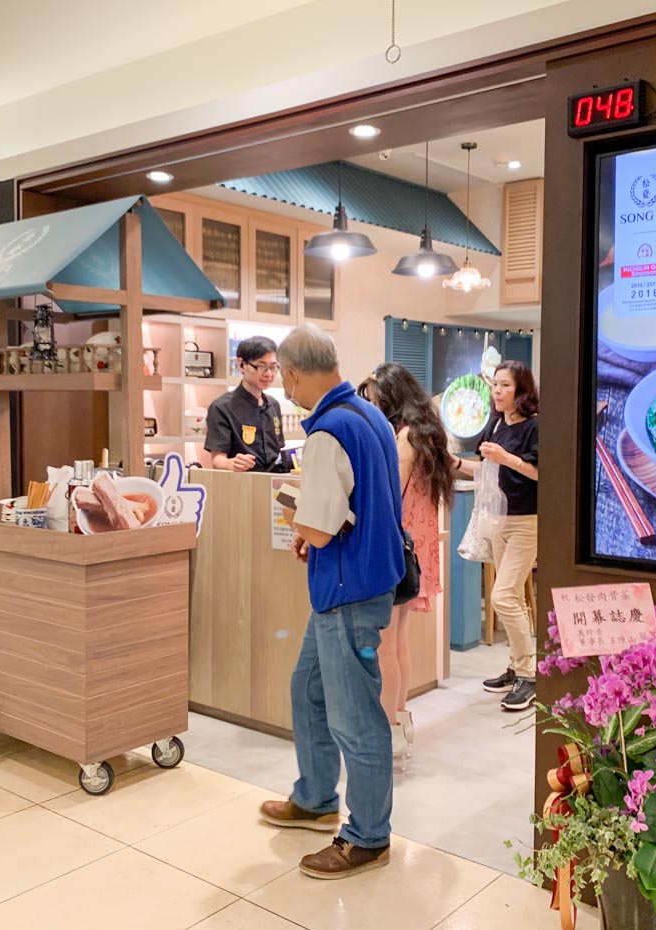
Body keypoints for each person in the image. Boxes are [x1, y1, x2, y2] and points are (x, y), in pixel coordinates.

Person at [260, 324, 404, 880]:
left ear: (295, 373)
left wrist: (302, 523)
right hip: (360, 584)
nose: (287, 391)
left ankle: (367, 835)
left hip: (347, 591)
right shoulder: (370, 417)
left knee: (355, 718)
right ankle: (316, 796)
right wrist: (315, 524)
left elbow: (318, 531)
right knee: (309, 688)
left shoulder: (326, 431)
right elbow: (358, 504)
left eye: (285, 379)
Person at [357, 362, 453, 764]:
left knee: (384, 646)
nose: (371, 408)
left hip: (397, 548)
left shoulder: (404, 437)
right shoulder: (427, 433)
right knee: (397, 642)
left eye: (375, 400)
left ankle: (388, 732)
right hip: (416, 548)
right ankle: (399, 719)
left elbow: (390, 494)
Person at [454, 360, 539, 712]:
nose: (498, 392)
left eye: (505, 386)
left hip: (528, 521)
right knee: (513, 597)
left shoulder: (536, 427)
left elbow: (539, 473)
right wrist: (455, 463)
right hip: (500, 520)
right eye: (495, 386)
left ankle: (530, 676)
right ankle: (519, 667)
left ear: (522, 391)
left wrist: (508, 458)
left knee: (502, 597)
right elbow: (485, 468)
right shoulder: (496, 423)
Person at [204, 336, 289, 472]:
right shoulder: (221, 407)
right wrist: (231, 463)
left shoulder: (274, 405)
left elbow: (278, 451)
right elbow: (217, 459)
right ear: (241, 364)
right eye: (261, 366)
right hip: (242, 484)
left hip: (273, 485)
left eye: (273, 367)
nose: (268, 374)